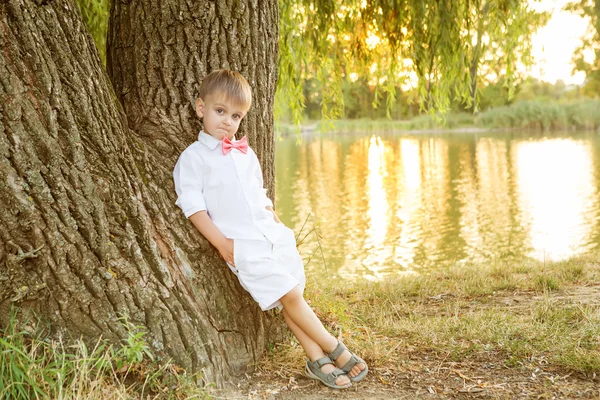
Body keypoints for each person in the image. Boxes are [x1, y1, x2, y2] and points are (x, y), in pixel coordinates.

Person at [173, 69, 368, 389]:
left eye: (235, 116)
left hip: (273, 237)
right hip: (242, 246)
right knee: (289, 295)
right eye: (219, 111)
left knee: (291, 296)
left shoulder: (246, 153)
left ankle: (316, 359)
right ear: (200, 108)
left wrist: (276, 221)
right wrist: (223, 244)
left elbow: (258, 194)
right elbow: (193, 206)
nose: (227, 121)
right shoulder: (194, 159)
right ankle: (335, 348)